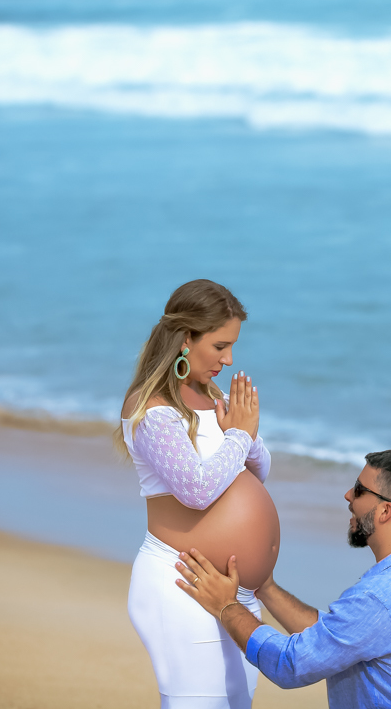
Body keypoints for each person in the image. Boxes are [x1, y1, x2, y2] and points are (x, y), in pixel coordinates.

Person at [174, 450, 391, 709]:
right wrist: (266, 588)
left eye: (360, 490)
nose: (348, 495)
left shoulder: (379, 598)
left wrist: (226, 606)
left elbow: (289, 664)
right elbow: (339, 637)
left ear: (386, 511)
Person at [117, 279, 281, 709]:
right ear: (186, 339)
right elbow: (196, 490)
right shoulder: (151, 409)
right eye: (220, 346)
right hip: (182, 582)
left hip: (233, 591)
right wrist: (239, 437)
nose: (229, 360)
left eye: (233, 347)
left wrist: (244, 436)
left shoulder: (214, 397)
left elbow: (259, 470)